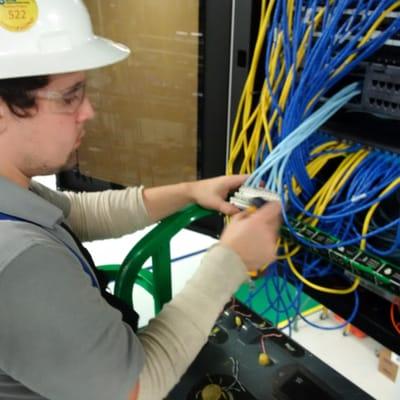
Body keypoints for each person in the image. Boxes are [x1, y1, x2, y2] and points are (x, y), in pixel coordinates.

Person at [0, 1, 281, 399]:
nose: (89, 111)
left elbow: (74, 214)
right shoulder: (17, 263)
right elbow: (137, 388)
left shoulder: (10, 190)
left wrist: (188, 192)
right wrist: (229, 262)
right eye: (69, 96)